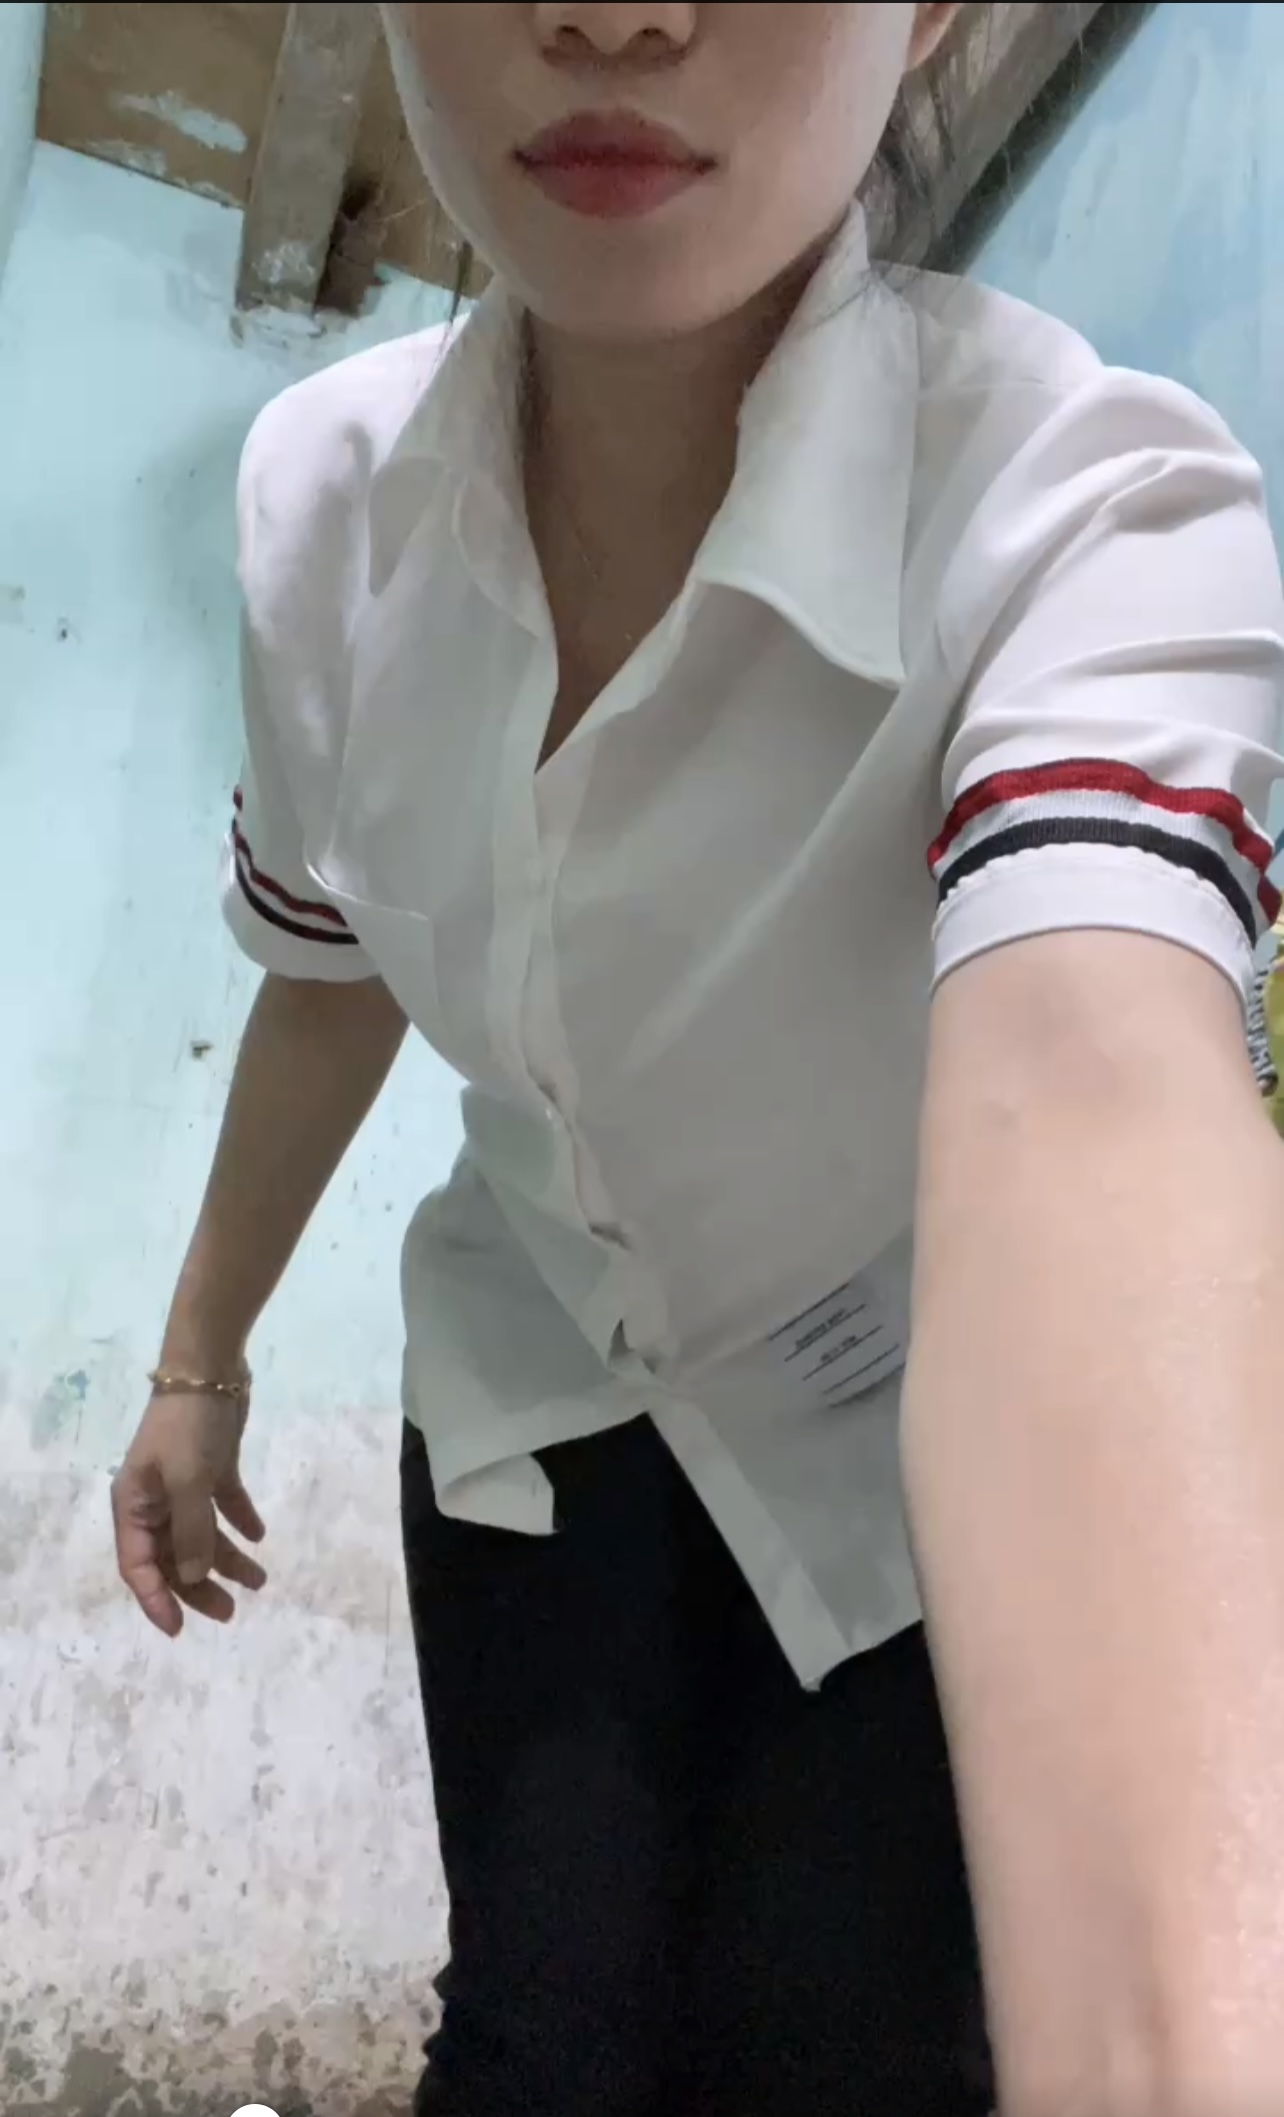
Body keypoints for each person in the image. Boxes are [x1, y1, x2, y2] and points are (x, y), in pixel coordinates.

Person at [111, 5, 1284, 2112]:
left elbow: (1094, 1090)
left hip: (895, 1456)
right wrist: (199, 1366)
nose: (616, 13)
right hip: (527, 1387)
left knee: (841, 2051)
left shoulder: (1087, 522)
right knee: (535, 2041)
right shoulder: (321, 507)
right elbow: (331, 959)